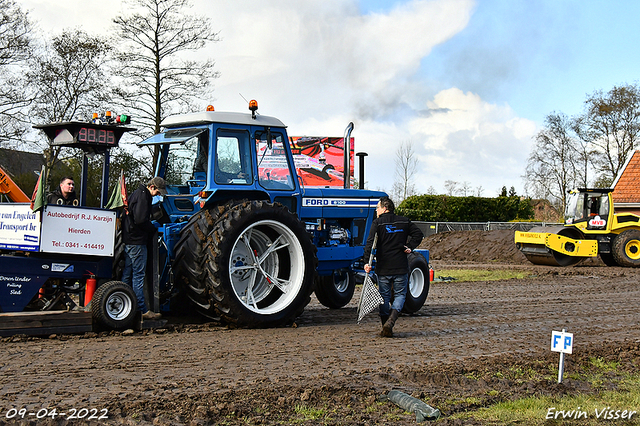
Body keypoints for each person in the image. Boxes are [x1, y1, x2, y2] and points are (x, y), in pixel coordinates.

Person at [363, 196, 423, 337]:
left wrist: (367, 262)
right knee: (400, 294)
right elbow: (418, 234)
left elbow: (370, 243)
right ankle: (391, 321)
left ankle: (385, 324)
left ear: (385, 208)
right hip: (401, 265)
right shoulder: (404, 221)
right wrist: (410, 247)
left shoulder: (377, 223)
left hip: (384, 267)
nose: (376, 210)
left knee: (384, 295)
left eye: (377, 207)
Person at [122, 177, 167, 320]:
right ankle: (141, 310)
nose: (158, 195)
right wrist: (152, 228)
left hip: (129, 240)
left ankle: (126, 305)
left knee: (128, 274)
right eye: (158, 192)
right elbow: (141, 220)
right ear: (152, 187)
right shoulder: (143, 196)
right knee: (138, 275)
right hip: (137, 241)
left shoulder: (137, 193)